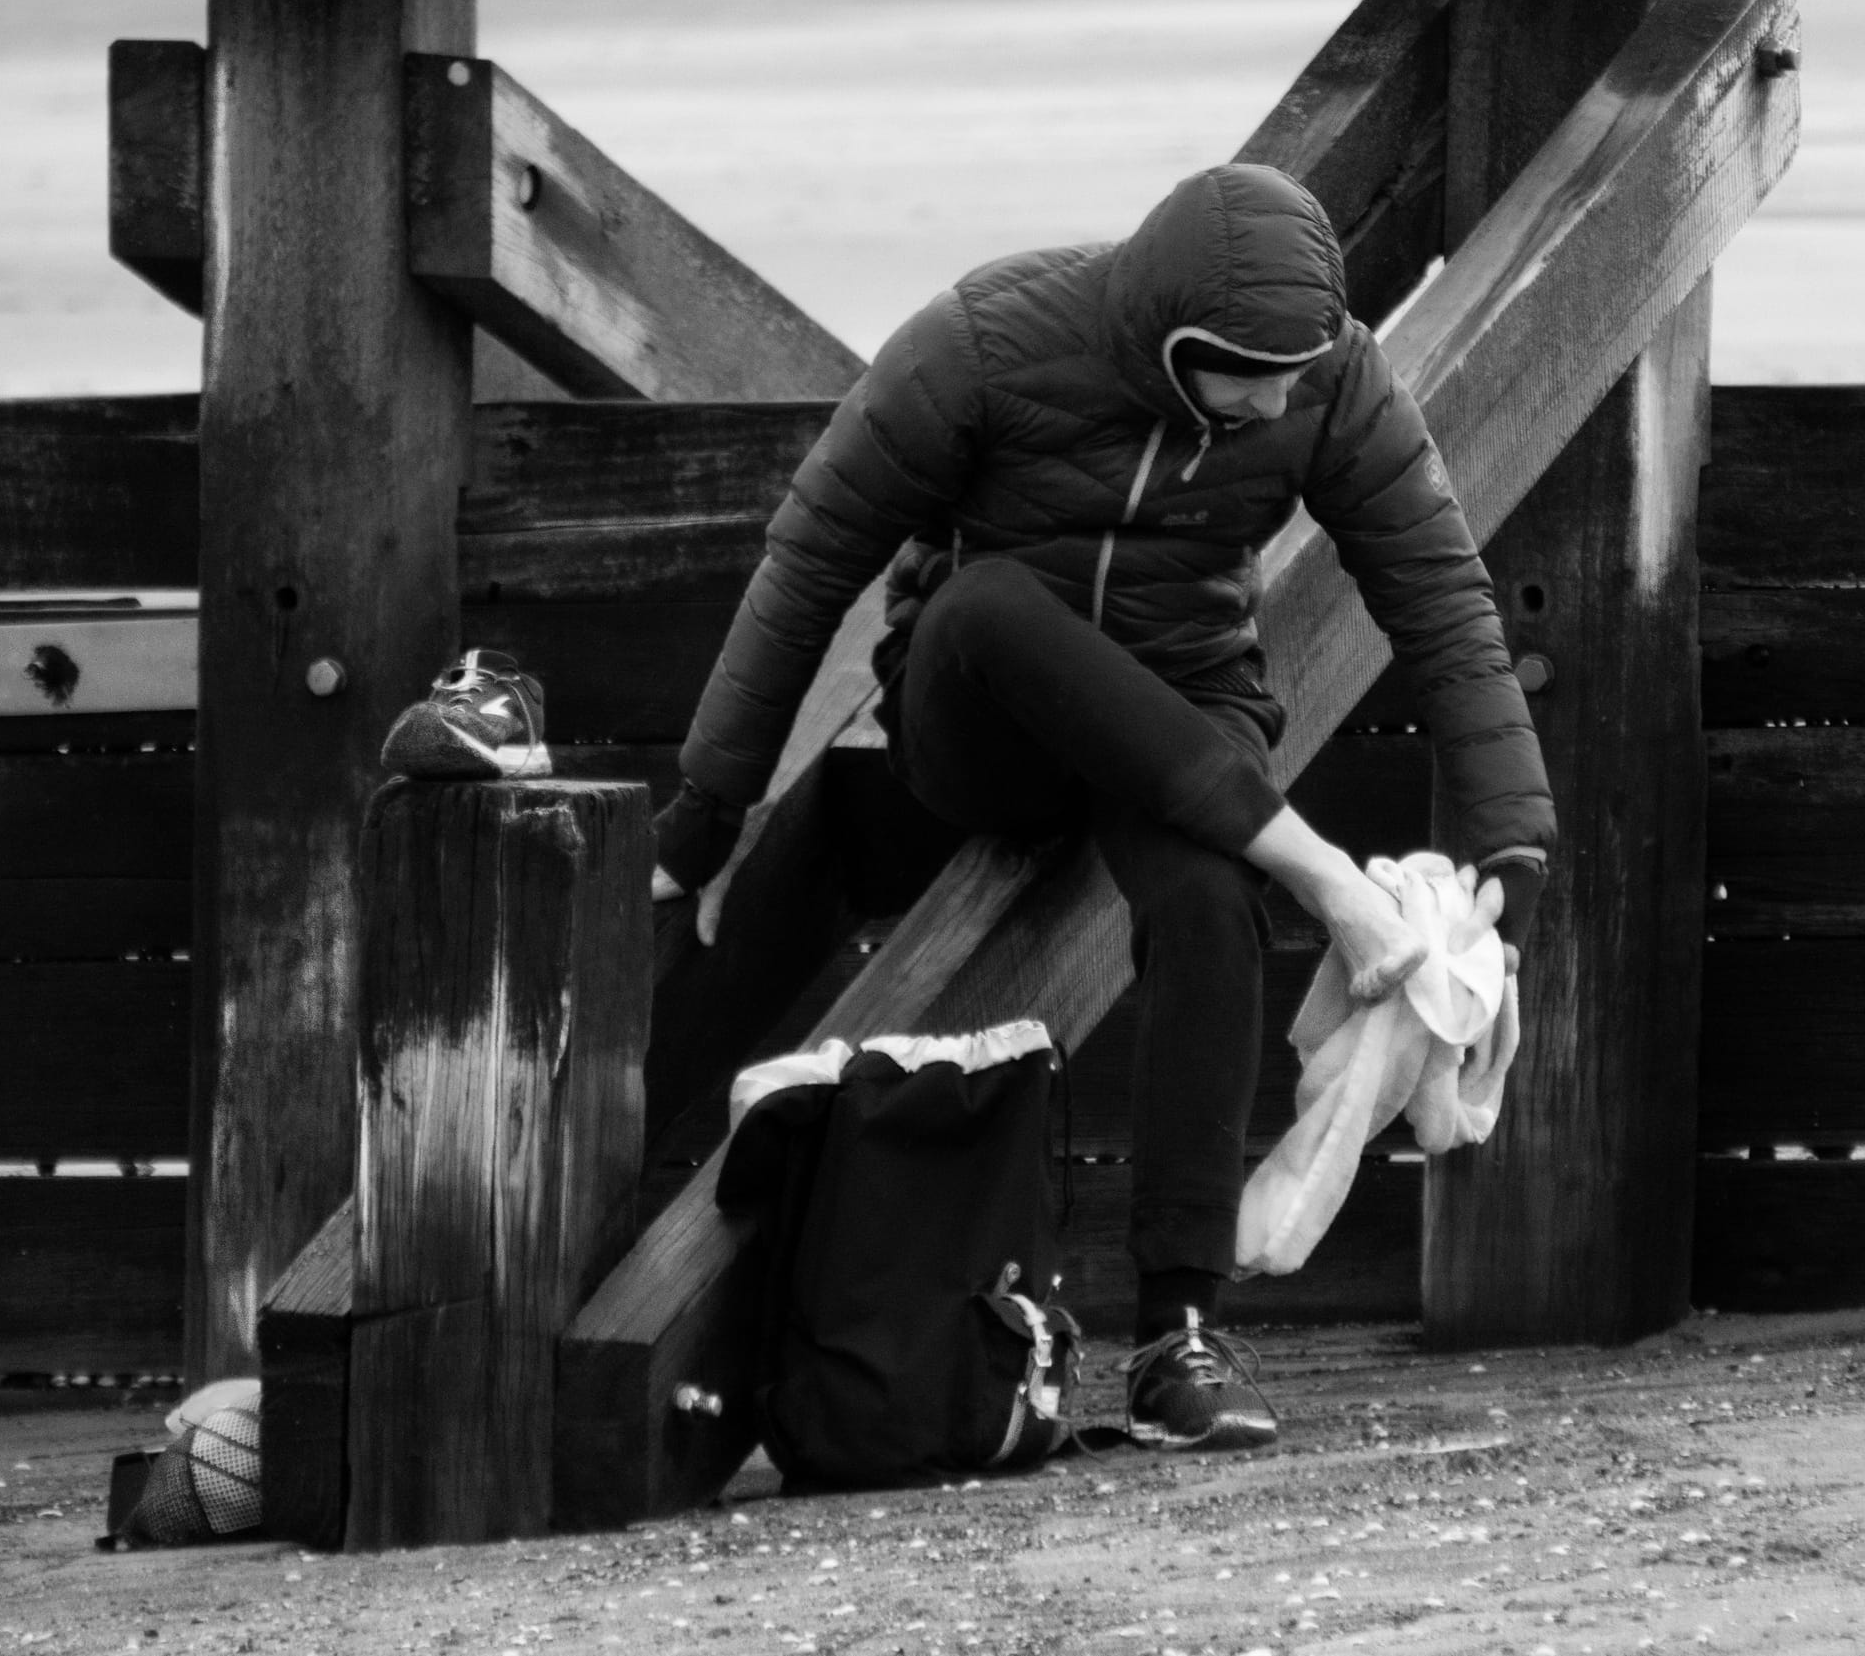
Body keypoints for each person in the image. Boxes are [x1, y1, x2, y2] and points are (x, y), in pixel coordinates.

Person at [651, 163, 1554, 1451]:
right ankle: (1319, 872)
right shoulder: (981, 342)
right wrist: (703, 818)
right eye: (1250, 373)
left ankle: (1180, 1340)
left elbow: (1444, 601)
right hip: (985, 727)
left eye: (1301, 370)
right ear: (1177, 346)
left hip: (1183, 708)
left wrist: (1517, 840)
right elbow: (808, 566)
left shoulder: (1331, 379)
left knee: (1205, 904)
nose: (1281, 398)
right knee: (983, 602)